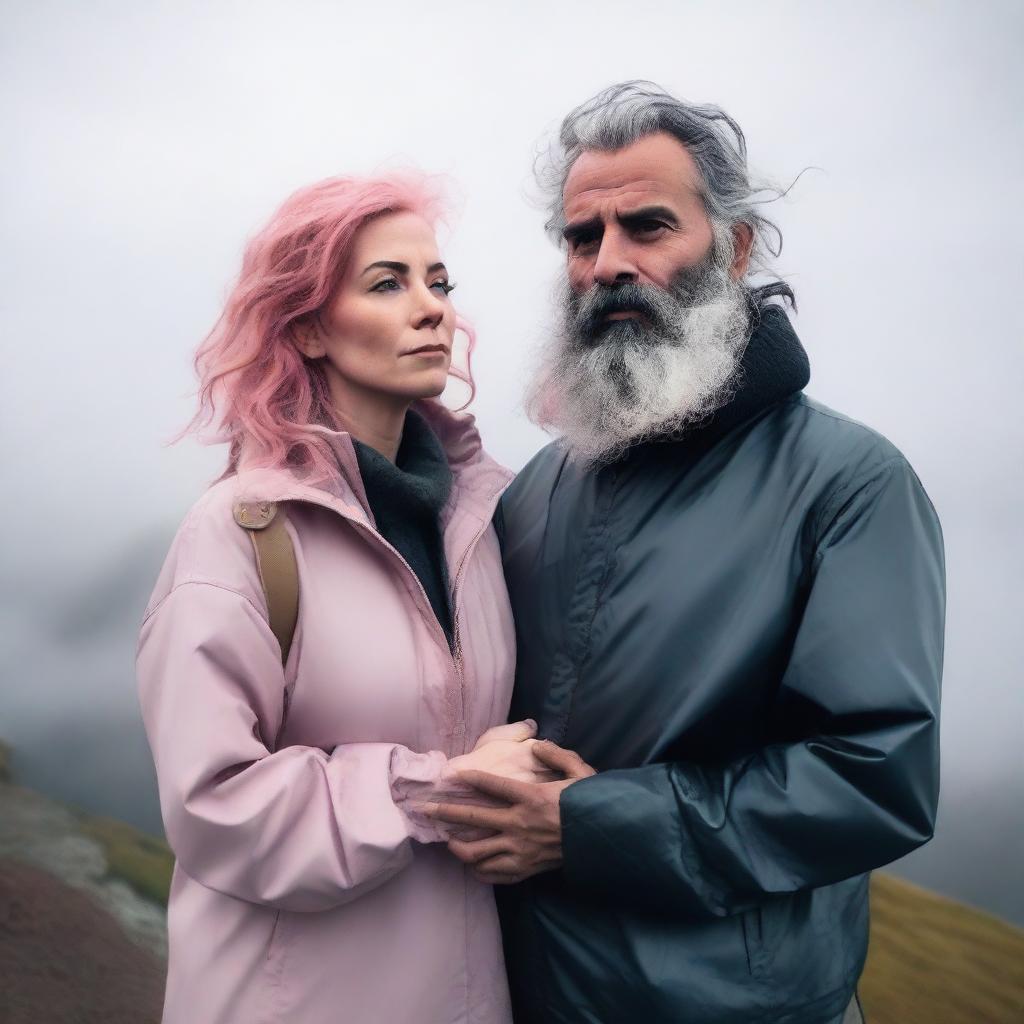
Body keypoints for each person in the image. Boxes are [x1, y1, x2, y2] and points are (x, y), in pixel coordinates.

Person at [424, 82, 945, 1024]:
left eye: (648, 226)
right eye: (583, 238)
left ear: (734, 247)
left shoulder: (849, 483)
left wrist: (587, 828)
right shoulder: (539, 488)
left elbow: (875, 777)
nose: (608, 264)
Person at [136, 173, 545, 1024]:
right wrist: (442, 792)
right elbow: (213, 807)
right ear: (312, 325)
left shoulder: (486, 523)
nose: (431, 308)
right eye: (387, 283)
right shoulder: (242, 534)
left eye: (439, 282)